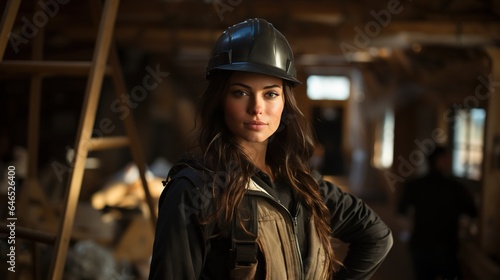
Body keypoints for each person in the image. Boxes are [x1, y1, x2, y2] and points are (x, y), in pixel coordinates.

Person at [149, 18, 393, 279]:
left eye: (270, 94)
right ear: (220, 100)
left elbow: (377, 236)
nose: (257, 108)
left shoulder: (303, 185)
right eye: (240, 93)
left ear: (285, 103)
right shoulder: (193, 192)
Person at [397, 146, 477, 280]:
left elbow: (401, 212)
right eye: (446, 157)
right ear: (439, 160)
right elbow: (472, 212)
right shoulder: (455, 188)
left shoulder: (414, 185)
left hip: (420, 245)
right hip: (446, 247)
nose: (449, 161)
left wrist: (408, 231)